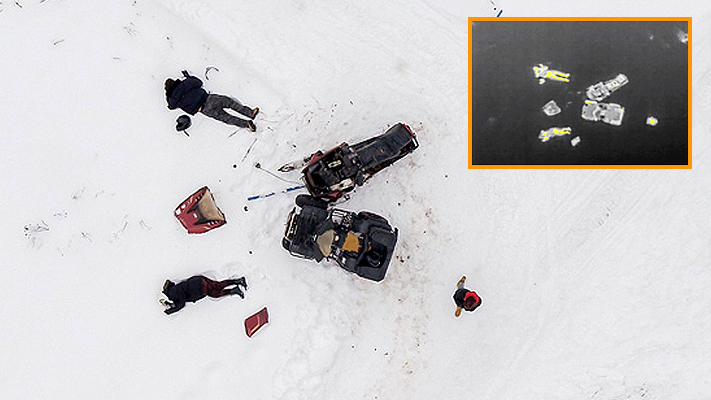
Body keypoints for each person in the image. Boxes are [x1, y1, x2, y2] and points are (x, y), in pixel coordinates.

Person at [164, 70, 259, 132]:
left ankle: (247, 124)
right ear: (175, 81)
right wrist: (188, 77)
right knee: (230, 103)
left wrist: (168, 95)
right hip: (209, 98)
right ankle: (250, 113)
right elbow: (199, 82)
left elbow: (170, 106)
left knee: (226, 118)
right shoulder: (185, 84)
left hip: (204, 109)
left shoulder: (173, 99)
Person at [159, 275, 247, 315]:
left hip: (199, 288)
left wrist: (170, 311)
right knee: (218, 286)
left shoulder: (173, 293)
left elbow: (181, 303)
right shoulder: (172, 291)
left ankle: (236, 285)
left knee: (216, 293)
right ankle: (236, 284)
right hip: (198, 282)